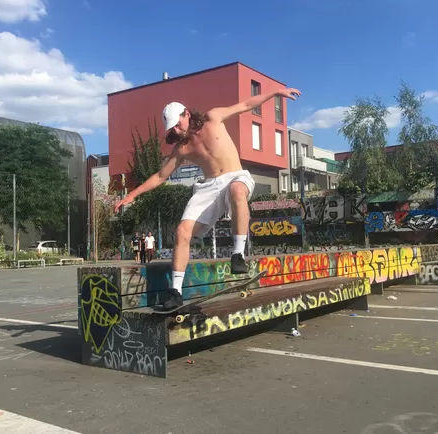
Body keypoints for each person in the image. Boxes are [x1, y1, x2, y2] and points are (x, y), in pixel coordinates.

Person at [114, 87, 301, 309]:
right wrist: (131, 195)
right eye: (171, 128)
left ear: (187, 114)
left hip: (235, 177)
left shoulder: (213, 118)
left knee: (237, 191)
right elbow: (160, 176)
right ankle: (175, 291)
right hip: (209, 186)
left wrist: (276, 92)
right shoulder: (181, 148)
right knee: (182, 231)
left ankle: (238, 254)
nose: (176, 130)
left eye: (178, 124)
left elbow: (247, 105)